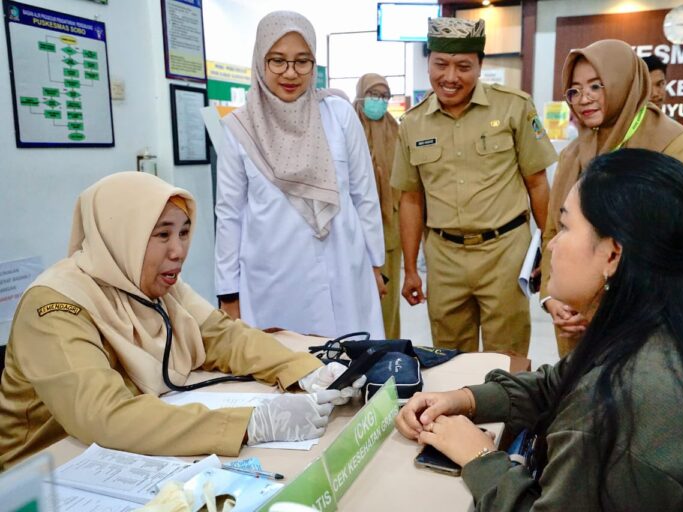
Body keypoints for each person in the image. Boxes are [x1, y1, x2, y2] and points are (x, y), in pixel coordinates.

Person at [396, 149, 683, 510]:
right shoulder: (678, 321)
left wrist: (478, 457)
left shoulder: (617, 402)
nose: (552, 245)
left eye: (565, 227)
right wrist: (466, 399)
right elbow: (562, 380)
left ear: (612, 254)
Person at [0, 172, 363, 469]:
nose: (178, 251)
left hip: (114, 454)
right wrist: (250, 424)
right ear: (120, 235)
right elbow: (103, 416)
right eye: (161, 234)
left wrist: (306, 370)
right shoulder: (53, 307)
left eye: (184, 232)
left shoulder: (152, 285)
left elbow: (223, 337)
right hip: (40, 470)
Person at [391, 17, 557, 354]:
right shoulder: (413, 122)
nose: (450, 77)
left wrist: (551, 252)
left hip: (505, 252)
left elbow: (537, 184)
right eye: (441, 64)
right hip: (444, 257)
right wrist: (410, 269)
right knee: (450, 358)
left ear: (480, 66)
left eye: (463, 66)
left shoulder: (514, 106)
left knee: (507, 357)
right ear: (429, 63)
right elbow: (410, 199)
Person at [215, 11, 386, 338]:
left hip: (343, 268)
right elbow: (229, 214)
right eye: (277, 61)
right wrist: (228, 292)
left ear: (314, 64)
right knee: (285, 371)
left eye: (302, 61)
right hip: (274, 277)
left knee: (353, 366)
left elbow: (364, 195)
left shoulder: (338, 115)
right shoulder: (240, 127)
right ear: (260, 61)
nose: (290, 73)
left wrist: (375, 265)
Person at [540, 39, 683, 357]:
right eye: (574, 90)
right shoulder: (573, 153)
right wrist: (554, 298)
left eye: (595, 86)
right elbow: (553, 232)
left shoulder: (670, 144)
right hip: (575, 321)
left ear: (622, 82)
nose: (583, 99)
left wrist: (611, 305)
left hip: (646, 321)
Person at [354, 73, 402, 339]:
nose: (379, 101)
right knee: (356, 302)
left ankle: (389, 353)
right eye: (373, 95)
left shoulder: (396, 131)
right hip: (354, 234)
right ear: (361, 96)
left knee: (387, 303)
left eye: (384, 96)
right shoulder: (347, 128)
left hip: (388, 234)